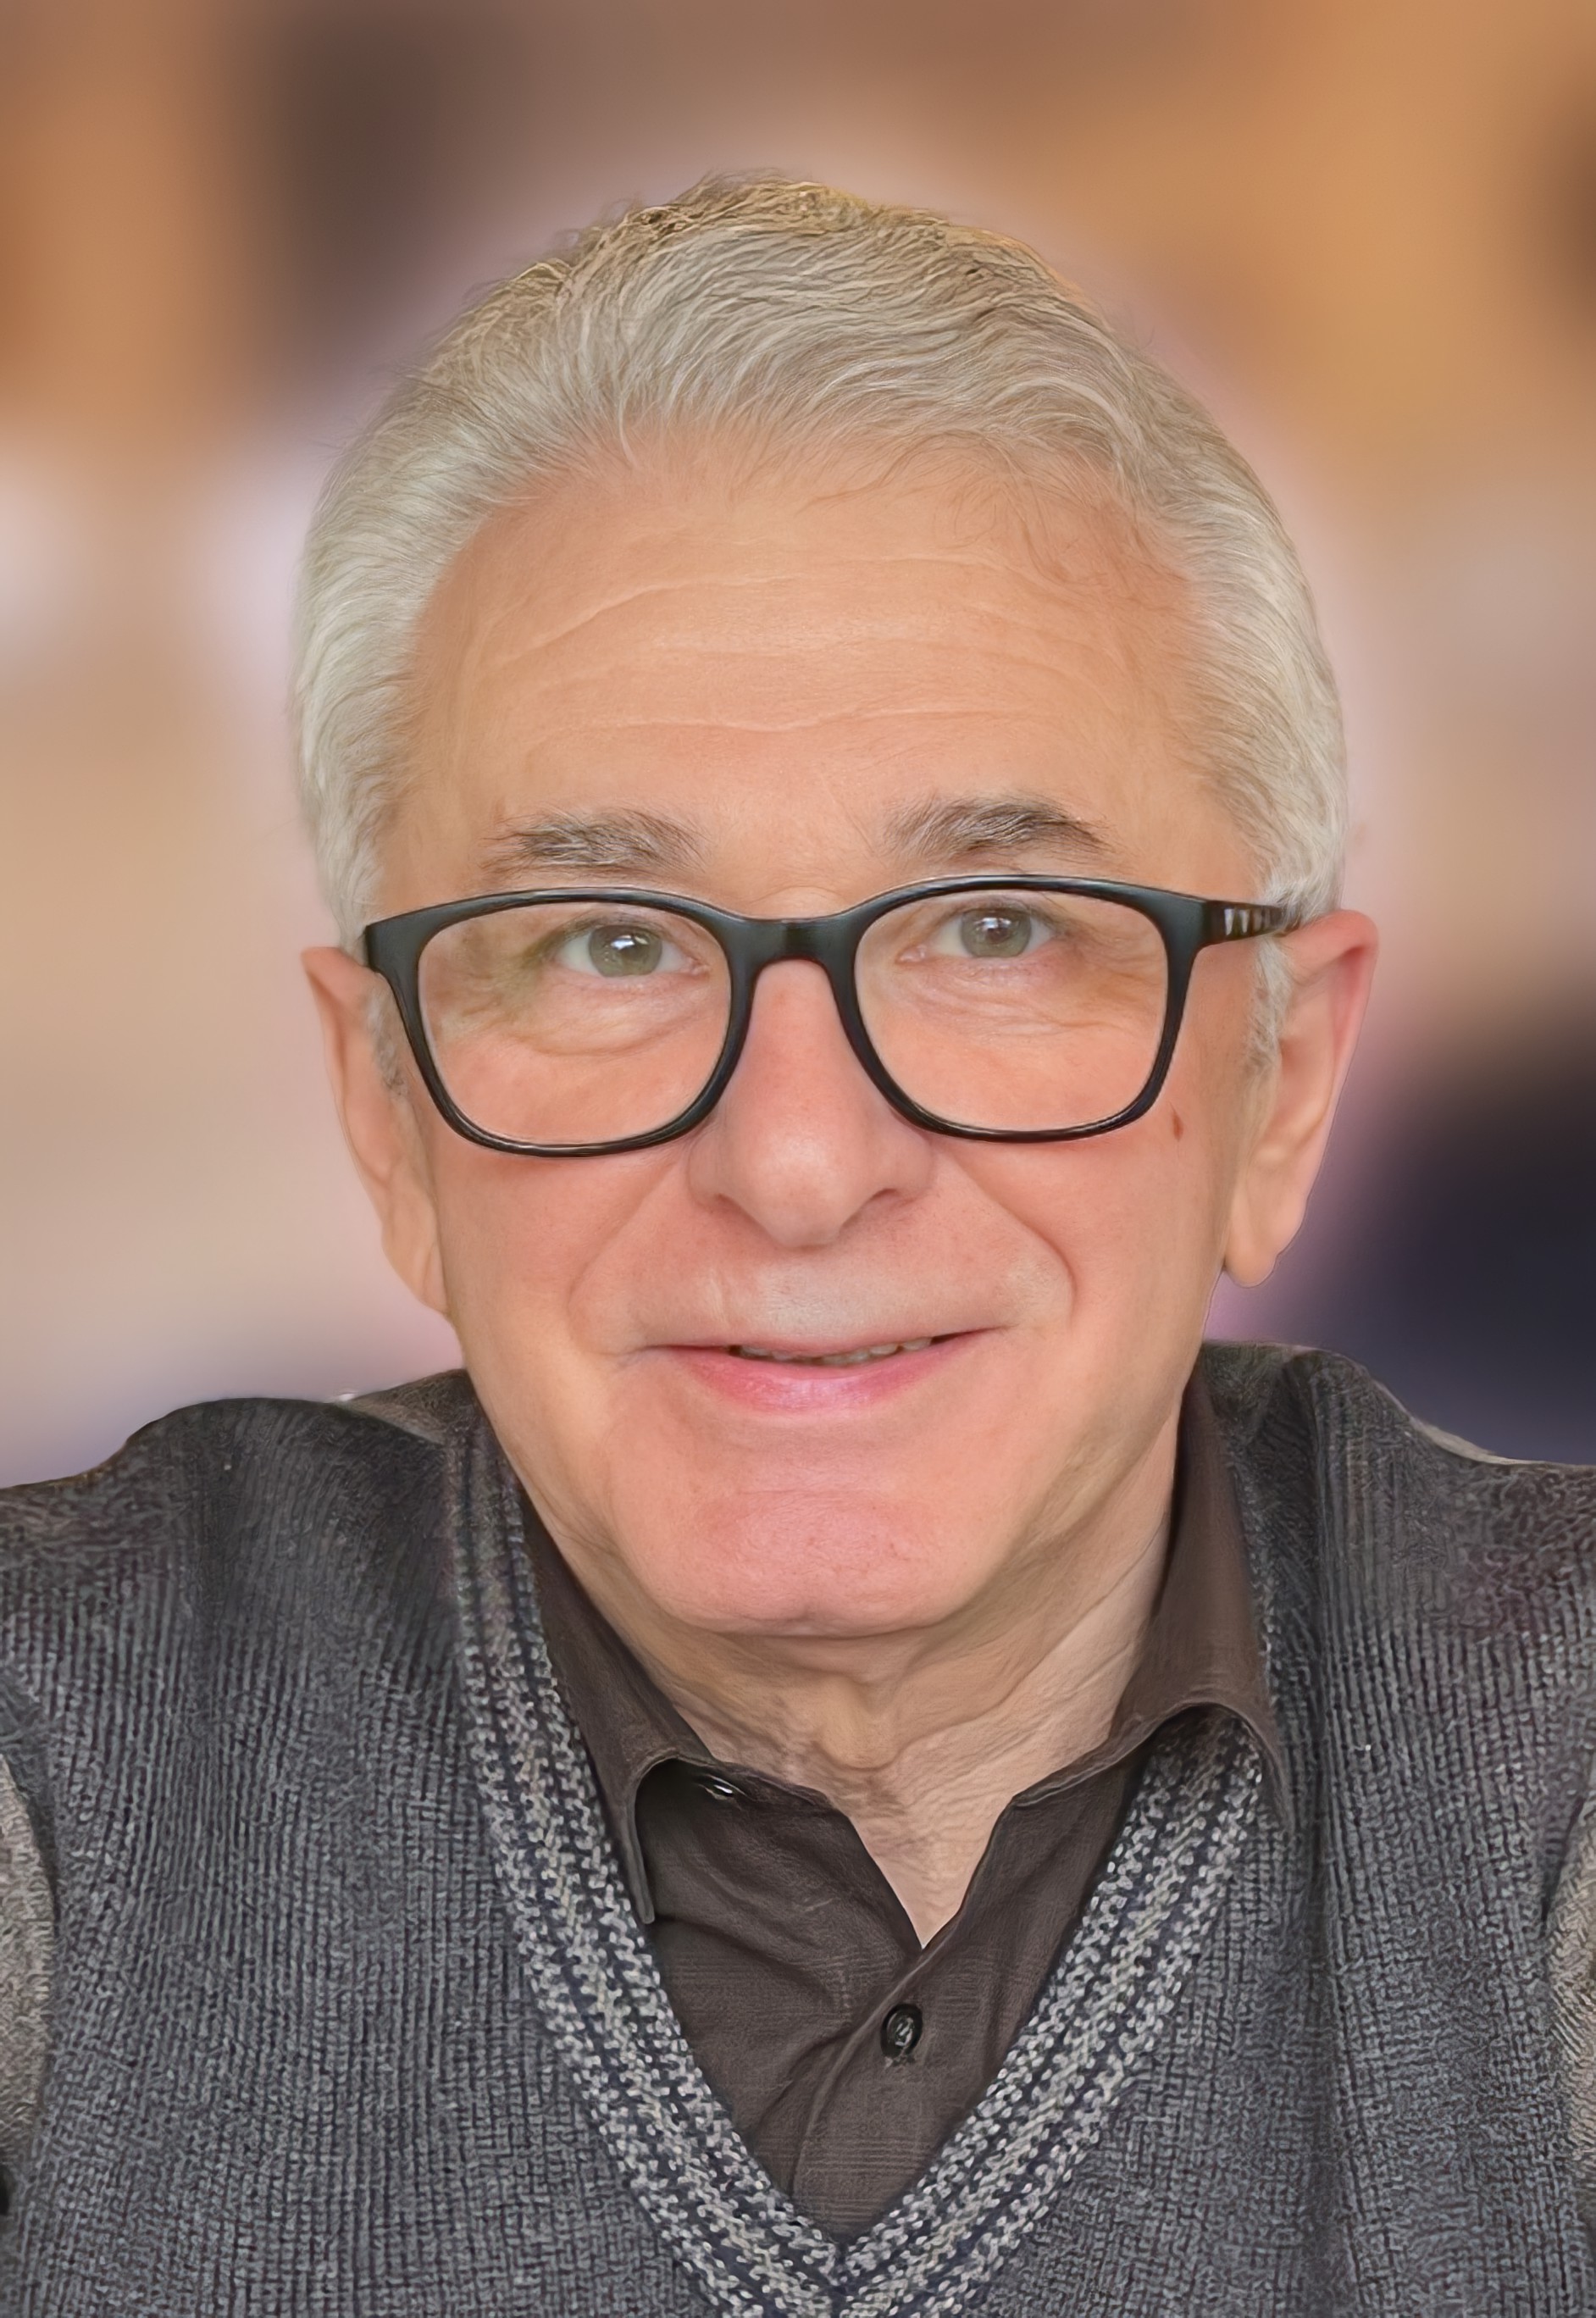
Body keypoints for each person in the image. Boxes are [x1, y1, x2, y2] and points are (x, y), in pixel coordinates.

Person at [2, 177, 1593, 2315]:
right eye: (608, 945)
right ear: (388, 1110)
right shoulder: (59, 1746)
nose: (801, 1160)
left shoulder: (1553, 1754)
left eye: (999, 930)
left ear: (1281, 1085)